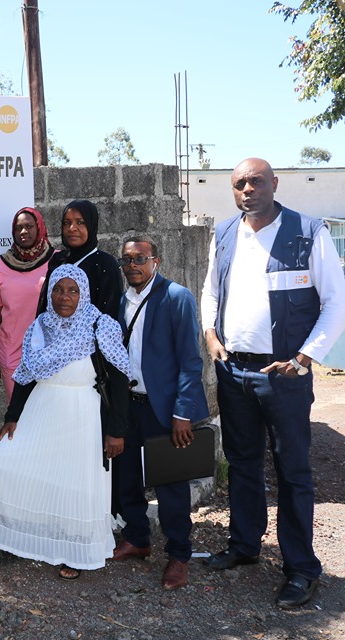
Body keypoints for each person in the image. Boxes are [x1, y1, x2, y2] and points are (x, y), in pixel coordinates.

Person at [200, 158, 345, 609]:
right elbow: (211, 291)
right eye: (240, 183)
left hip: (284, 375)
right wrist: (210, 335)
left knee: (293, 471)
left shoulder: (307, 232)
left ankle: (302, 568)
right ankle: (245, 546)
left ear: (275, 184)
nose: (248, 189)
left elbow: (336, 301)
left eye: (256, 181)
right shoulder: (224, 233)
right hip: (234, 371)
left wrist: (304, 358)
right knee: (243, 463)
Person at [0, 264, 130, 580]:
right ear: (49, 292)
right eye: (58, 289)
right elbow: (26, 376)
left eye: (72, 290)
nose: (64, 297)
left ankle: (77, 552)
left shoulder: (100, 326)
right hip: (42, 409)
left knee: (78, 483)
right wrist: (11, 418)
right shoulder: (39, 327)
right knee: (2, 461)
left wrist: (116, 430)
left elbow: (120, 379)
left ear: (83, 294)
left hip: (83, 412)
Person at [110, 235, 209, 590]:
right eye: (126, 260)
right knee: (127, 480)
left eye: (140, 258)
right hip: (129, 405)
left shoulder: (177, 297)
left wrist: (183, 412)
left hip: (164, 410)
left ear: (156, 261)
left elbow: (190, 360)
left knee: (171, 487)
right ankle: (138, 538)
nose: (132, 265)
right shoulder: (120, 301)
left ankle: (179, 555)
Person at [0, 206, 54, 401]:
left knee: (48, 419)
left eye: (29, 226)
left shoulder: (58, 261)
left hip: (52, 355)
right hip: (13, 357)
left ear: (39, 228)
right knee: (18, 419)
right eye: (18, 228)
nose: (23, 232)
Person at [37, 199, 123, 320]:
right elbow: (45, 307)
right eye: (67, 223)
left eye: (80, 222)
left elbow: (110, 312)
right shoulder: (58, 260)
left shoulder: (105, 264)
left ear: (91, 225)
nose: (72, 228)